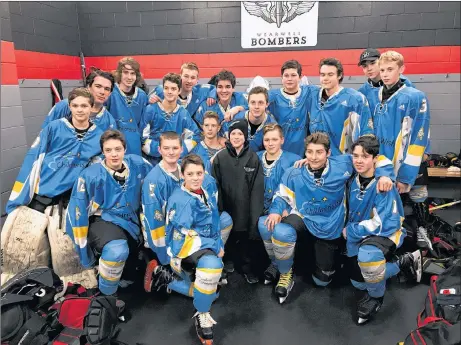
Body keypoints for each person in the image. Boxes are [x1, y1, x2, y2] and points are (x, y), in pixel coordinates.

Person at [265, 132, 394, 304]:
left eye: (319, 152)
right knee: (280, 230)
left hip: (331, 228)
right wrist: (275, 210)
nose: (314, 157)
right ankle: (284, 273)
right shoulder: (295, 172)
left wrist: (386, 175)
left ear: (328, 153)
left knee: (322, 281)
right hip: (305, 217)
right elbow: (282, 196)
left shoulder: (344, 164)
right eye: (310, 152)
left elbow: (377, 158)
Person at [147, 154, 232, 345]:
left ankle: (166, 279)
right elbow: (181, 240)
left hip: (203, 244)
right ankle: (202, 315)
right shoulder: (180, 200)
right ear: (183, 175)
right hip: (183, 251)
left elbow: (215, 221)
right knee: (212, 267)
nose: (195, 177)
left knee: (213, 292)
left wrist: (218, 245)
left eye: (199, 173)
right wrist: (214, 248)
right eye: (190, 173)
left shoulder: (204, 191)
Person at [343, 136, 422, 324]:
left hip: (388, 231)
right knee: (357, 281)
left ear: (375, 159)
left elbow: (384, 223)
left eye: (365, 156)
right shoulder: (352, 180)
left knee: (368, 258)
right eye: (355, 156)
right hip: (360, 233)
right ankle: (404, 262)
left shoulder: (383, 185)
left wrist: (352, 231)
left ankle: (376, 298)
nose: (359, 161)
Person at [66, 130, 152, 296]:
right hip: (104, 220)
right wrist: (85, 254)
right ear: (102, 152)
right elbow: (76, 214)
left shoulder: (138, 164)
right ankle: (107, 298)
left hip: (132, 221)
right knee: (116, 251)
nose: (114, 154)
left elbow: (157, 179)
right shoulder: (90, 175)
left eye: (118, 149)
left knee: (133, 271)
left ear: (125, 149)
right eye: (108, 150)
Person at [6, 88, 104, 214]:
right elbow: (33, 159)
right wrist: (19, 198)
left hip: (72, 197)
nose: (79, 109)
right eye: (75, 105)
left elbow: (97, 169)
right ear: (69, 107)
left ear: (91, 107)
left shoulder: (99, 136)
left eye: (84, 106)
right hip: (44, 192)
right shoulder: (54, 128)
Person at [374, 51, 431, 249]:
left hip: (405, 166)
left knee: (414, 206)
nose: (385, 74)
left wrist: (406, 176)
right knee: (389, 212)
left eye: (390, 69)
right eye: (382, 70)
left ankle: (419, 245)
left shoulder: (415, 97)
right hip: (384, 165)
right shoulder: (376, 95)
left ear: (402, 69)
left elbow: (418, 139)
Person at [212, 118, 265, 284]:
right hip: (226, 209)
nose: (236, 137)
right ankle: (227, 262)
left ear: (245, 136)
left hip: (245, 209)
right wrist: (219, 210)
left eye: (240, 133)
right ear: (228, 136)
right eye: (233, 133)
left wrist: (254, 214)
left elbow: (257, 190)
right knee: (227, 239)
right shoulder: (220, 158)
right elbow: (215, 185)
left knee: (244, 241)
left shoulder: (253, 158)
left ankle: (246, 268)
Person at [256, 124, 301, 284]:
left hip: (285, 209)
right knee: (264, 225)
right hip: (263, 208)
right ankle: (276, 263)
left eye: (274, 139)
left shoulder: (294, 160)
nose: (270, 143)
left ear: (282, 140)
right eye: (267, 139)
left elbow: (298, 188)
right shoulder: (256, 157)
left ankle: (285, 271)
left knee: (277, 230)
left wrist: (288, 209)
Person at [307, 57, 374, 156]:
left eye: (330, 75)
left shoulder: (355, 98)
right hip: (316, 160)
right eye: (322, 75)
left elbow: (367, 133)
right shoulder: (312, 95)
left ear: (340, 75)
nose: (325, 78)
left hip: (343, 161)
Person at [141, 132, 183, 271]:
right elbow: (155, 223)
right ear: (159, 150)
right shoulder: (153, 181)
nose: (171, 152)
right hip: (165, 237)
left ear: (181, 149)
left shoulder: (187, 170)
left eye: (175, 148)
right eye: (166, 148)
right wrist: (165, 258)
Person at [140, 73, 201, 166]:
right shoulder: (150, 110)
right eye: (166, 88)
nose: (169, 92)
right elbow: (142, 138)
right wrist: (163, 150)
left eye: (173, 89)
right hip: (152, 163)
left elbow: (195, 136)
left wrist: (176, 150)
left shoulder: (183, 113)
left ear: (179, 90)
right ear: (163, 89)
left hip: (175, 163)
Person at [42, 68, 117, 131]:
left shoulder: (109, 122)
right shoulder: (64, 106)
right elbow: (45, 135)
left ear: (110, 93)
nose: (102, 92)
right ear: (89, 87)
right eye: (98, 86)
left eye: (107, 89)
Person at [266, 60, 312, 157]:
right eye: (286, 76)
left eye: (293, 75)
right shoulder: (273, 95)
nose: (289, 79)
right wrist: (237, 109)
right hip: (281, 149)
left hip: (302, 151)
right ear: (281, 78)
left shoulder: (308, 92)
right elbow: (253, 101)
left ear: (300, 77)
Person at [106, 57, 148, 156]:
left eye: (133, 73)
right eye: (125, 72)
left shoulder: (142, 96)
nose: (129, 77)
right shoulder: (110, 93)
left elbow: (144, 124)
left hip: (135, 146)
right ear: (119, 73)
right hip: (114, 146)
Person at [357, 48, 413, 116]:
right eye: (364, 66)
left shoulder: (403, 83)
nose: (369, 69)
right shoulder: (362, 92)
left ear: (381, 62)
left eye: (372, 63)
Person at [148, 62, 215, 119]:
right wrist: (150, 99)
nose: (189, 81)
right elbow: (145, 101)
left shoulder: (201, 91)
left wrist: (212, 96)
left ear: (197, 80)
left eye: (193, 78)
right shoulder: (163, 89)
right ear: (180, 76)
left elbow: (214, 88)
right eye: (186, 76)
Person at [232, 86, 277, 152]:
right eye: (253, 102)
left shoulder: (273, 126)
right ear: (248, 104)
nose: (256, 107)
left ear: (267, 104)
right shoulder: (235, 120)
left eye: (260, 103)